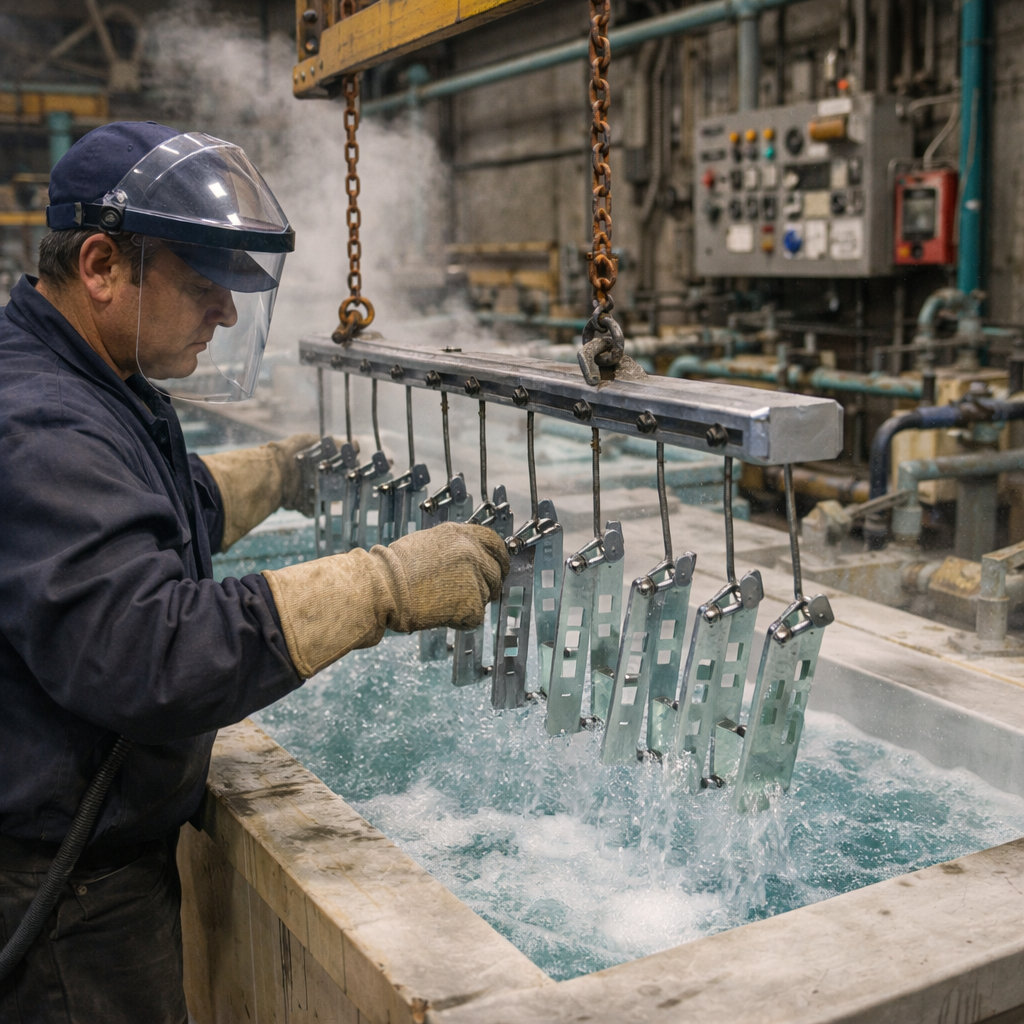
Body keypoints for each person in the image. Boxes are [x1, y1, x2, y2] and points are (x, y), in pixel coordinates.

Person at [0, 121, 508, 1024]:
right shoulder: (41, 421)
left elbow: (151, 514)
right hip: (65, 907)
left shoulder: (84, 380)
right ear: (103, 265)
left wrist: (276, 472)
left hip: (86, 870)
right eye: (204, 286)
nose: (228, 314)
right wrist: (380, 585)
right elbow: (151, 652)